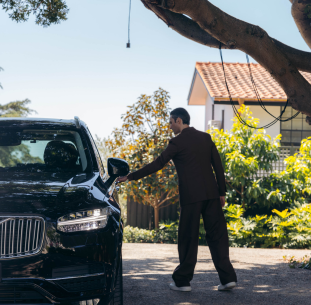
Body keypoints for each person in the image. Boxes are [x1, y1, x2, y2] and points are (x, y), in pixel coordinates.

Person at [117, 108, 237, 292]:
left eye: (171, 122)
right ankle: (228, 278)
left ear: (179, 120)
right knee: (217, 236)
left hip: (191, 197)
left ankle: (182, 281)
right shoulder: (206, 138)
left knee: (188, 237)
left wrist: (130, 176)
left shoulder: (177, 141)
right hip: (212, 194)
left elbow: (158, 163)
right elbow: (218, 166)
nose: (170, 125)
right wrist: (222, 192)